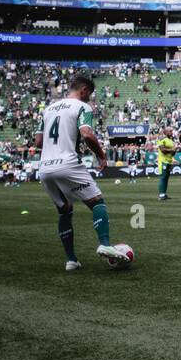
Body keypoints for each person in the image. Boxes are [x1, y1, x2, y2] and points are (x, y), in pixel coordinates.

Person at [35, 73, 127, 272]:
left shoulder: (48, 109)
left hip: (44, 168)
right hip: (67, 163)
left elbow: (38, 142)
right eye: (89, 94)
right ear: (83, 90)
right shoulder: (82, 107)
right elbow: (87, 134)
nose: (89, 98)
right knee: (97, 202)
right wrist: (101, 156)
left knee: (65, 210)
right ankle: (105, 243)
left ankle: (71, 260)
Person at [155, 130, 176, 200]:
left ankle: (164, 193)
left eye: (171, 131)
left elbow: (172, 153)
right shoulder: (162, 139)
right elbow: (162, 150)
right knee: (163, 177)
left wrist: (174, 151)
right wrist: (172, 150)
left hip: (169, 161)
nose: (171, 132)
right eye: (170, 131)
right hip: (163, 161)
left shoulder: (171, 141)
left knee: (166, 178)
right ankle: (161, 195)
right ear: (165, 133)